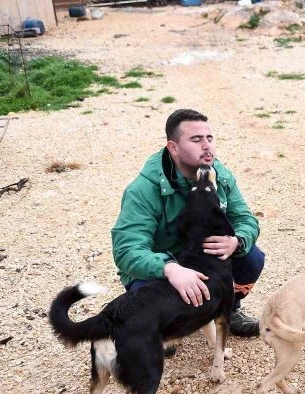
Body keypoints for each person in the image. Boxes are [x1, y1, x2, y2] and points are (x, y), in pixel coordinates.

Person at [112, 109, 264, 337]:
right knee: (146, 300)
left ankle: (227, 309)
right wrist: (169, 268)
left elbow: (245, 218)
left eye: (209, 138)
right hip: (163, 267)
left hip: (201, 258)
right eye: (196, 139)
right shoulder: (143, 190)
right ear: (173, 147)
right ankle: (164, 329)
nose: (207, 146)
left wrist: (237, 241)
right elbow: (126, 250)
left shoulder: (218, 174)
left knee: (251, 257)